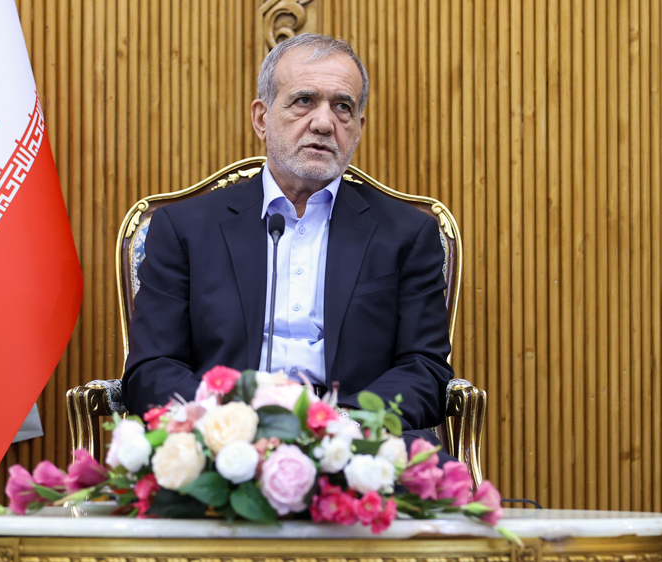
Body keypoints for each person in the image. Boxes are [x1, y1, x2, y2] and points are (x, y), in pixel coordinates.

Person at [123, 33, 453, 441]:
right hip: (221, 444)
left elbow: (425, 369)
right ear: (261, 118)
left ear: (358, 128)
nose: (323, 122)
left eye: (342, 107)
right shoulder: (184, 229)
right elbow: (152, 367)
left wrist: (346, 427)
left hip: (357, 443)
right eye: (304, 101)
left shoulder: (406, 233)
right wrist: (231, 424)